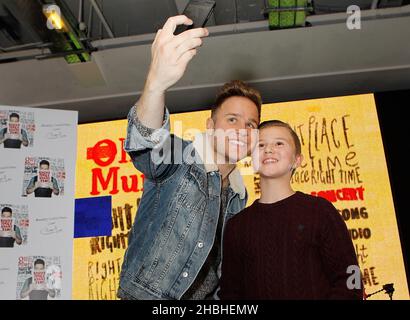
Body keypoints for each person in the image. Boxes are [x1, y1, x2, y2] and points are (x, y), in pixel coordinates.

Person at [118, 15, 261, 300]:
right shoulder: (181, 157)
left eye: (251, 124)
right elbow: (146, 145)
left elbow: (220, 270)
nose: (242, 130)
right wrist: (156, 84)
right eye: (232, 119)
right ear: (210, 126)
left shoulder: (239, 196)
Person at [219, 120, 363, 300]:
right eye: (261, 144)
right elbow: (230, 293)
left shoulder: (320, 211)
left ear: (297, 160)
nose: (269, 149)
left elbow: (351, 277)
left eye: (279, 143)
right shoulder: (237, 226)